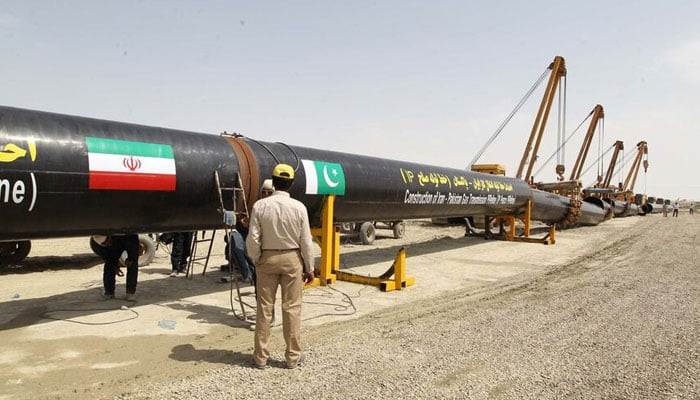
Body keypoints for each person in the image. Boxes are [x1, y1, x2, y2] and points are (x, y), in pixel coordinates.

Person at [246, 164, 315, 369]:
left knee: (264, 309)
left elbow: (253, 238)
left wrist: (257, 258)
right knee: (292, 308)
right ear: (291, 184)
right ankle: (293, 357)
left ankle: (260, 357)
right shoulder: (299, 207)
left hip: (267, 259)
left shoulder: (260, 206)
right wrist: (309, 267)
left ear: (273, 182)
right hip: (292, 259)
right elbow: (306, 241)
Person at [91, 234, 140, 301]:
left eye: (107, 242)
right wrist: (115, 266)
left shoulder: (129, 238)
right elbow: (108, 257)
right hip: (114, 244)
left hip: (128, 237)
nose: (107, 244)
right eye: (105, 244)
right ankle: (109, 292)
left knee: (132, 264)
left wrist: (131, 258)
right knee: (109, 265)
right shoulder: (95, 244)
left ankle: (130, 293)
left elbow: (133, 252)